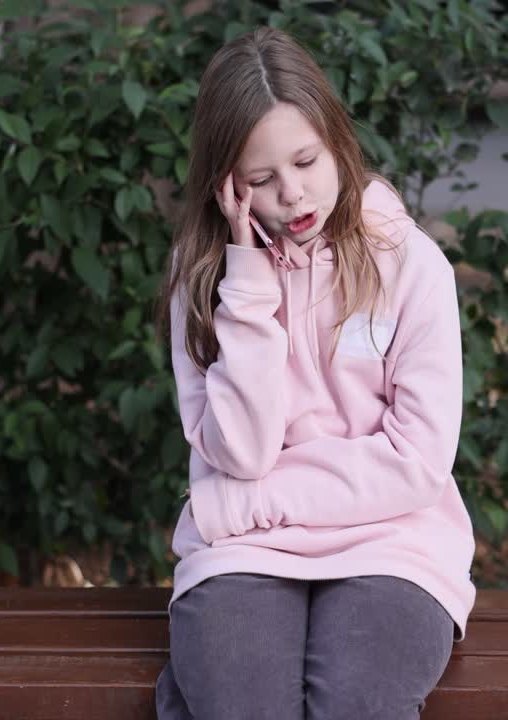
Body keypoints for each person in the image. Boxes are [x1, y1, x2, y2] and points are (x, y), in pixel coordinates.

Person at [152, 25, 476, 720]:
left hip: (394, 542)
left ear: (338, 143)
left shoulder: (412, 266)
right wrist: (246, 289)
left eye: (306, 161)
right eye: (262, 180)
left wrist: (248, 505)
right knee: (236, 705)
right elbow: (242, 451)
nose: (293, 196)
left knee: (360, 705)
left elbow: (416, 464)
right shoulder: (203, 278)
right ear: (225, 185)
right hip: (244, 554)